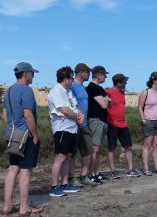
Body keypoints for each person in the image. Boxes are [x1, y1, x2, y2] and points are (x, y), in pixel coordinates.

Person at [2, 62, 42, 215]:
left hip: (11, 135)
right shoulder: (26, 90)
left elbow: (4, 115)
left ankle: (7, 205)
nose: (33, 76)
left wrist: (13, 128)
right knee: (25, 171)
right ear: (26, 74)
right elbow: (27, 114)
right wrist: (35, 135)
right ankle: (24, 207)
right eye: (32, 73)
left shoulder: (9, 90)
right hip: (25, 135)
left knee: (13, 169)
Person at [48, 66, 84, 197]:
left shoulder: (68, 91)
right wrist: (77, 117)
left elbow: (75, 107)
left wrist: (81, 116)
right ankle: (54, 186)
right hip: (62, 128)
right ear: (65, 78)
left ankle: (64, 183)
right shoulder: (56, 91)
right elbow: (64, 110)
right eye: (71, 78)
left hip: (72, 128)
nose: (73, 80)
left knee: (68, 156)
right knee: (60, 157)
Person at [105, 73, 139, 178]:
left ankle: (130, 170)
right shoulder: (108, 92)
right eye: (124, 82)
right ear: (119, 82)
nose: (126, 83)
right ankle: (113, 171)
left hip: (123, 124)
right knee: (111, 148)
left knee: (128, 147)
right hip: (112, 124)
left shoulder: (123, 92)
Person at [69, 63, 97, 187]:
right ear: (81, 72)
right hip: (74, 123)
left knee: (88, 150)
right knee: (72, 152)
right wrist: (76, 118)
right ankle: (71, 178)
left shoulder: (82, 87)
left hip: (84, 124)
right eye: (87, 72)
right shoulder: (72, 86)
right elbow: (70, 103)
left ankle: (83, 176)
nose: (89, 75)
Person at [85, 65, 112, 183]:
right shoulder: (92, 88)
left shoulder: (100, 89)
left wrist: (106, 100)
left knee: (98, 148)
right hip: (95, 120)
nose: (105, 77)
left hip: (102, 121)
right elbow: (104, 104)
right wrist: (106, 100)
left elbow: (109, 103)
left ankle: (96, 172)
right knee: (95, 149)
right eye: (104, 74)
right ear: (98, 75)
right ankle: (91, 174)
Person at [137, 71, 157, 176]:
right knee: (147, 145)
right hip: (149, 121)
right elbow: (140, 107)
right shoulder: (146, 92)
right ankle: (146, 168)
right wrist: (143, 119)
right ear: (153, 80)